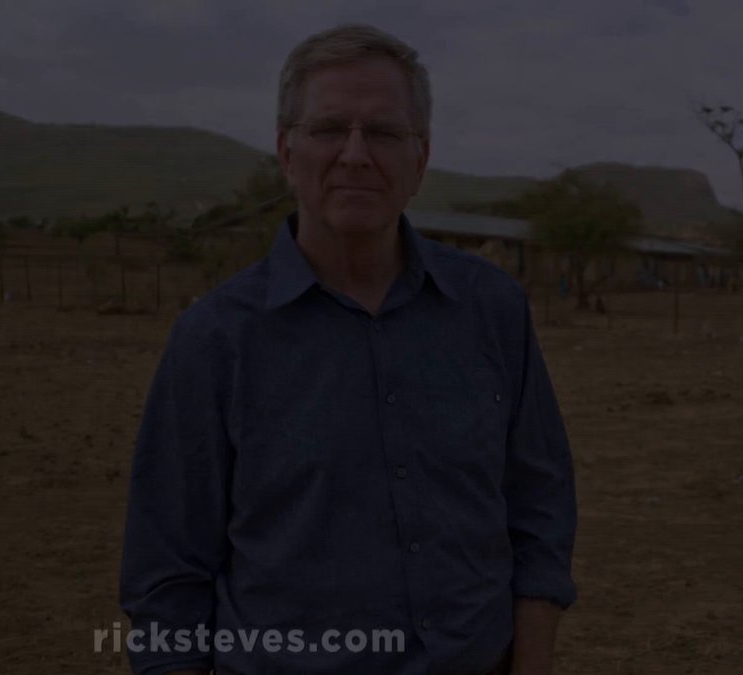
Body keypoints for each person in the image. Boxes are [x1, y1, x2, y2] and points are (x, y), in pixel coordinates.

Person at [119, 24, 576, 675]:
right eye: (330, 129)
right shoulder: (216, 338)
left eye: (385, 133)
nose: (356, 155)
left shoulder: (491, 308)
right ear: (287, 151)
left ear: (420, 158)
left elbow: (539, 506)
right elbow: (167, 575)